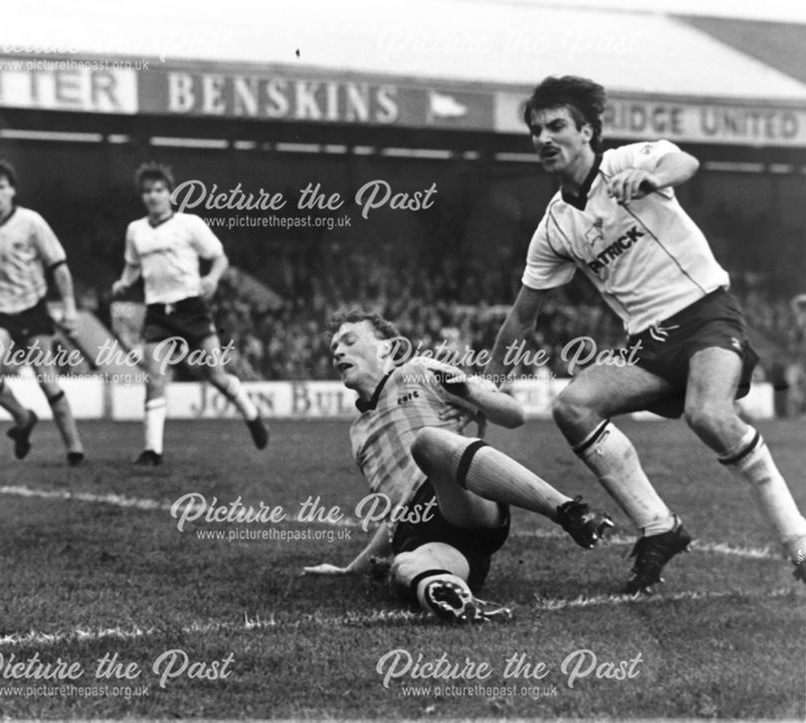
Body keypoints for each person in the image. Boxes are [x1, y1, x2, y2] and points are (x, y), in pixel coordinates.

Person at [486, 76, 806, 593]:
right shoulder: (554, 228)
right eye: (535, 130)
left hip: (707, 316)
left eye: (557, 126)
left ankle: (801, 543)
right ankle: (660, 526)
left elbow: (686, 163)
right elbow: (523, 316)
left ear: (587, 130)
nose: (544, 138)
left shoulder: (621, 163)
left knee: (709, 415)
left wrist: (650, 179)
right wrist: (489, 383)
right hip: (650, 347)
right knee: (574, 406)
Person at [302, 309, 613, 623]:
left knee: (427, 443)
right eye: (334, 348)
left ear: (386, 347)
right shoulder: (357, 433)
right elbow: (395, 511)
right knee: (406, 565)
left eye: (349, 340)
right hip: (429, 536)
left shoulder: (417, 370)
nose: (338, 351)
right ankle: (454, 598)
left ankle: (569, 511)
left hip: (460, 495)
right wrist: (351, 569)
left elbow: (513, 415)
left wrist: (469, 390)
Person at [111, 163, 268, 466]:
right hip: (157, 312)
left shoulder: (189, 223)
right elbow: (132, 264)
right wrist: (124, 281)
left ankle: (252, 415)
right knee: (154, 378)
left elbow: (219, 257)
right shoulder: (136, 230)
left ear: (170, 193)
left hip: (191, 309)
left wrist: (211, 278)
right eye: (147, 191)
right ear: (141, 196)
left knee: (217, 376)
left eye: (159, 190)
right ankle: (152, 450)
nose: (153, 196)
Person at [0, 159, 85, 466]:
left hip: (32, 308)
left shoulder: (32, 222)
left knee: (48, 380)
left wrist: (70, 307)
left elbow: (59, 267)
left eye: (1, 186)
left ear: (12, 190)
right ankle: (23, 418)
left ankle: (75, 450)